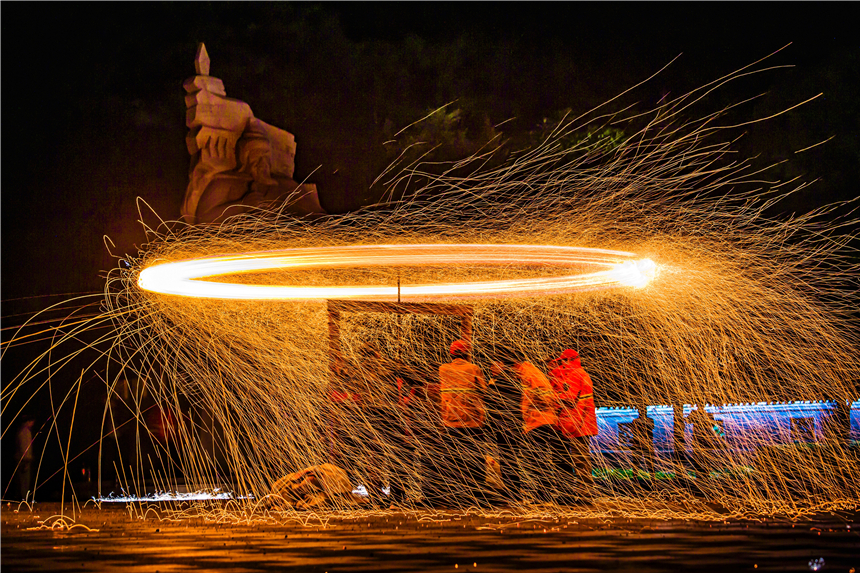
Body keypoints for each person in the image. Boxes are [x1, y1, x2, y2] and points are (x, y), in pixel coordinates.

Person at [438, 339, 488, 507]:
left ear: (451, 353)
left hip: (450, 421)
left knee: (454, 460)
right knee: (474, 459)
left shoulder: (443, 369)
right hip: (472, 422)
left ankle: (455, 495)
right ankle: (476, 494)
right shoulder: (474, 369)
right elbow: (483, 391)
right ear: (467, 353)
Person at [548, 349, 598, 502]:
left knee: (580, 460)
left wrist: (552, 397)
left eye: (562, 361)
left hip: (578, 424)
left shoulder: (575, 374)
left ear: (569, 360)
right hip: (584, 422)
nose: (561, 365)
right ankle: (586, 492)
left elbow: (569, 398)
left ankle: (585, 494)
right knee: (582, 459)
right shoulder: (583, 373)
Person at [517, 358, 563, 503]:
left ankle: (544, 492)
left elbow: (540, 397)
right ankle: (544, 491)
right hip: (540, 420)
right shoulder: (532, 372)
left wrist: (528, 409)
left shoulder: (528, 373)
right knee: (538, 458)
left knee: (538, 458)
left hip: (539, 421)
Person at [484, 354, 526, 505]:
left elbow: (490, 401)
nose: (491, 368)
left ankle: (512, 494)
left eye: (494, 365)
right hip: (513, 425)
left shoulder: (500, 382)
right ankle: (515, 492)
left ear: (501, 365)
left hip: (505, 427)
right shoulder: (513, 381)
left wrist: (489, 386)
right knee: (511, 459)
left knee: (508, 460)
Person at [15, 418, 36, 501]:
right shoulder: (25, 432)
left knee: (22, 480)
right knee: (24, 481)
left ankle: (23, 498)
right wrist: (27, 460)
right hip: (24, 460)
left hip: (22, 458)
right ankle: (23, 499)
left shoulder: (21, 431)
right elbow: (25, 447)